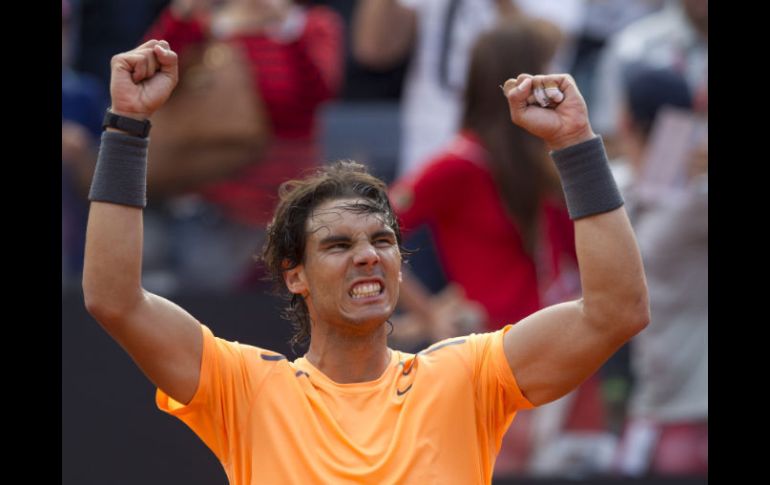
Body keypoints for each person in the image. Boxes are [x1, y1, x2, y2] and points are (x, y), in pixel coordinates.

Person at [82, 39, 649, 483]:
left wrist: (576, 143)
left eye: (382, 241)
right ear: (294, 275)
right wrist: (127, 126)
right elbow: (114, 299)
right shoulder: (242, 387)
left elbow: (614, 312)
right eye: (337, 245)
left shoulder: (468, 376)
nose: (367, 257)